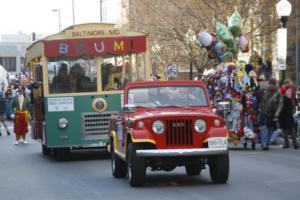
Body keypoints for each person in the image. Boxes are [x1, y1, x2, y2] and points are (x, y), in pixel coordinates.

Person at [257, 78, 280, 150]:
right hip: (272, 112)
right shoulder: (278, 92)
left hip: (264, 111)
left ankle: (264, 143)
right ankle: (266, 143)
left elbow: (258, 97)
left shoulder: (263, 90)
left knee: (264, 127)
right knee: (270, 128)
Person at [275, 84, 299, 149]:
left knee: (285, 130)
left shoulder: (281, 99)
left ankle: (287, 144)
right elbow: (292, 106)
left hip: (283, 116)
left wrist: (277, 114)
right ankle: (295, 144)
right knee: (292, 129)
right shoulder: (289, 98)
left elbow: (279, 107)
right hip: (289, 115)